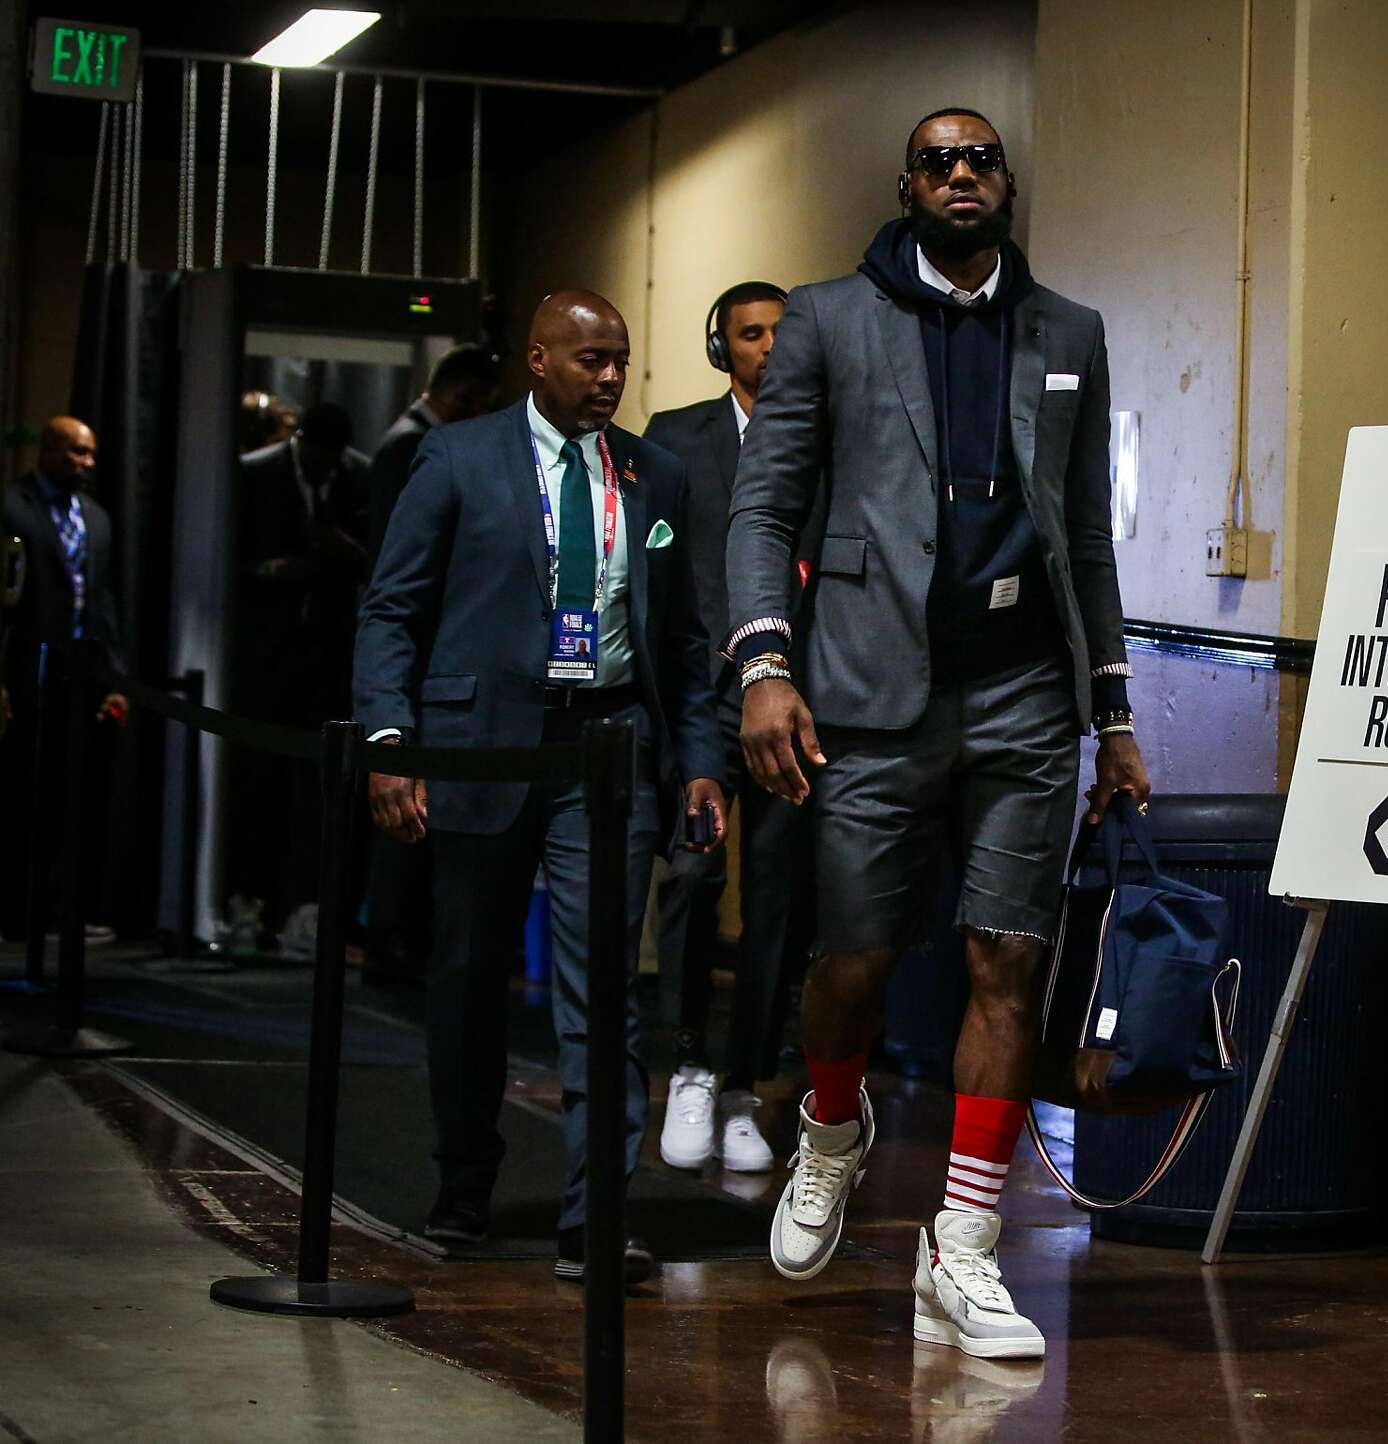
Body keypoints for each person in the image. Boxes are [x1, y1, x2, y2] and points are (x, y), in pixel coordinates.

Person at [725, 108, 1152, 1359]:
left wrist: (1112, 712)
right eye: (940, 162)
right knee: (853, 958)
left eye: (984, 160)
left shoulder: (1067, 329)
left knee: (1005, 960)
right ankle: (832, 1128)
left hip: (1024, 688)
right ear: (906, 184)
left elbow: (1086, 533)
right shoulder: (828, 318)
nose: (964, 176)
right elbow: (766, 508)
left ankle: (961, 1251)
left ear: (1006, 182)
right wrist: (764, 665)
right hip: (865, 688)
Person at [354, 290, 728, 1284]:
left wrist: (698, 759)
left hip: (607, 749)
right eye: (590, 360)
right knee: (468, 974)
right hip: (481, 746)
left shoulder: (656, 475)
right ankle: (463, 1184)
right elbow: (392, 608)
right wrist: (392, 740)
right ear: (538, 359)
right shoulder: (458, 458)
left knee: (608, 984)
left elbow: (684, 642)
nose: (609, 378)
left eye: (621, 361)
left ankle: (596, 1214)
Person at [644, 281, 822, 1175]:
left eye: (780, 333)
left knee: (779, 902)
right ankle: (686, 1067)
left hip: (798, 696)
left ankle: (750, 1083)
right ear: (724, 348)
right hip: (703, 697)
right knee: (690, 877)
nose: (767, 347)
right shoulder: (676, 437)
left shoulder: (833, 438)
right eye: (750, 334)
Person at [361, 345, 503, 986]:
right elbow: (396, 578)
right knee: (408, 806)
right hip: (423, 650)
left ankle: (399, 936)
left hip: (443, 654)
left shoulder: (424, 444)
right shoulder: (419, 450)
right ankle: (389, 937)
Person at [232, 403, 372, 934]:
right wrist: (269, 571)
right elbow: (230, 555)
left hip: (330, 653)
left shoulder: (359, 478)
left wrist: (343, 550)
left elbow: (377, 560)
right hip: (269, 652)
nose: (322, 465)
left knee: (319, 788)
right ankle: (253, 898)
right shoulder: (257, 474)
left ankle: (309, 907)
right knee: (259, 779)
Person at [0, 418, 130, 941]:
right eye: (77, 453)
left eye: (92, 454)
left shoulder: (96, 519)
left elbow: (103, 603)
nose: (88, 463)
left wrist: (114, 678)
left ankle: (55, 910)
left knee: (65, 798)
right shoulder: (11, 507)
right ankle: (12, 910)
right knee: (17, 794)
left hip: (75, 679)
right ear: (51, 450)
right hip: (25, 669)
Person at [367, 344, 502, 562]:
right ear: (462, 396)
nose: (479, 418)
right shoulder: (413, 444)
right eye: (479, 406)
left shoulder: (411, 437)